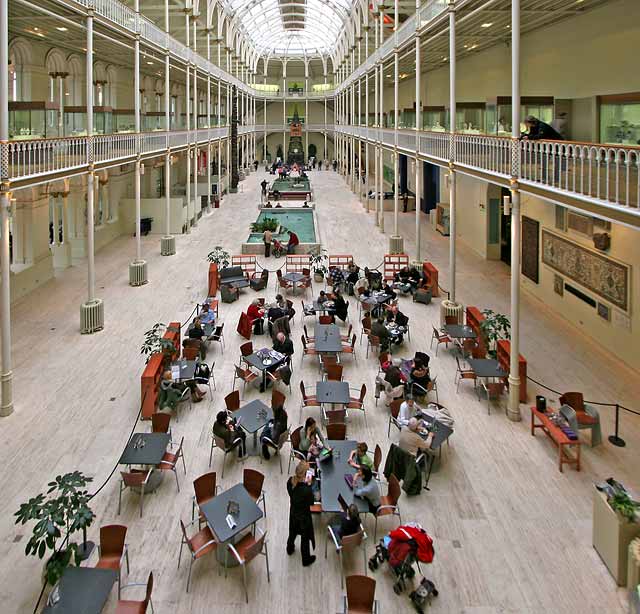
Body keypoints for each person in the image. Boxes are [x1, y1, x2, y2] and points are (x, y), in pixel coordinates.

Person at [286, 461, 316, 566]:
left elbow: (292, 494)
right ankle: (306, 559)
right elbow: (311, 502)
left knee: (292, 532)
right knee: (305, 538)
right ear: (305, 474)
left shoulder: (290, 481)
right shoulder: (306, 490)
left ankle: (289, 548)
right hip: (304, 517)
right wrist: (308, 485)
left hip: (293, 513)